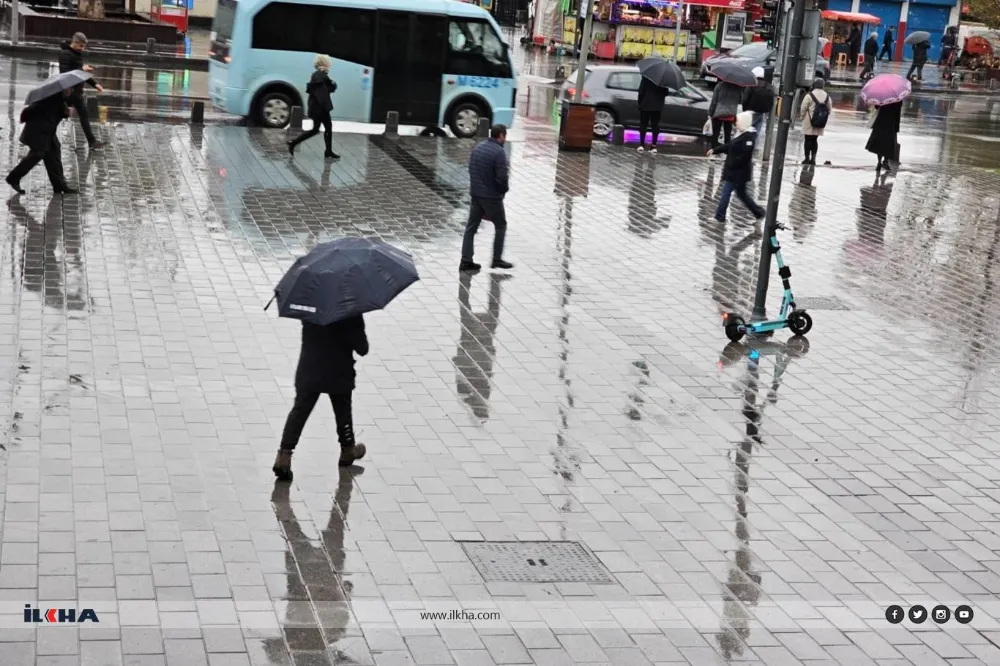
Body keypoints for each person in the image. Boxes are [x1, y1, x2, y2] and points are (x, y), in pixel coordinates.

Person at [272, 315, 369, 480]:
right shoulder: (350, 310)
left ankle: (284, 456)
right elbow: (362, 348)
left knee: (300, 410)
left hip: (310, 368)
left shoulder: (313, 306)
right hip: (339, 371)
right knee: (343, 409)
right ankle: (347, 449)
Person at [460, 124, 513, 272]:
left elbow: (470, 168)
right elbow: (502, 178)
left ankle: (466, 260)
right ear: (501, 135)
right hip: (491, 197)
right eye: (505, 136)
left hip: (476, 194)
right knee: (501, 225)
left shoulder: (478, 148)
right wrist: (503, 191)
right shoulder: (499, 153)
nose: (505, 139)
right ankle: (497, 259)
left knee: (471, 227)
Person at [6, 89, 77, 195]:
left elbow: (59, 113)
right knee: (37, 154)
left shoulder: (61, 99)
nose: (69, 92)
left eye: (70, 90)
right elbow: (30, 110)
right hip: (37, 132)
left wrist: (67, 113)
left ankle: (59, 185)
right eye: (67, 90)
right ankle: (13, 178)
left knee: (53, 156)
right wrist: (23, 117)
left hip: (48, 133)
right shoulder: (49, 97)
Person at [707, 112, 764, 222]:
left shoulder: (748, 137)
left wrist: (733, 164)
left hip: (737, 172)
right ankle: (759, 213)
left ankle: (720, 216)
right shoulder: (741, 134)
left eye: (737, 121)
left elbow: (745, 156)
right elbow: (730, 146)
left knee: (726, 193)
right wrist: (715, 150)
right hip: (737, 172)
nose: (735, 124)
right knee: (742, 195)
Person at [58, 32, 104, 150]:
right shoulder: (65, 54)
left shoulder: (76, 54)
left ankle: (92, 141)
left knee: (84, 115)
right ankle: (44, 135)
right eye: (81, 46)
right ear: (75, 42)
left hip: (77, 91)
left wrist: (95, 84)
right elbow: (65, 73)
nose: (82, 49)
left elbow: (81, 74)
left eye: (84, 46)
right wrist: (82, 68)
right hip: (68, 91)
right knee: (59, 115)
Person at [288, 54, 339, 159]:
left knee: (317, 129)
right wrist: (326, 107)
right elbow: (321, 93)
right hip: (320, 108)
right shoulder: (320, 75)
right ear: (325, 63)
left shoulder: (319, 75)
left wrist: (332, 85)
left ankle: (294, 143)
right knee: (325, 128)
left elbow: (324, 89)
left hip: (317, 107)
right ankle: (328, 151)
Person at [799, 78, 830, 165]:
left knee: (807, 139)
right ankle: (813, 159)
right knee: (814, 140)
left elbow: (803, 107)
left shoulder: (810, 95)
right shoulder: (827, 96)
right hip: (820, 122)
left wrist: (802, 116)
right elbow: (829, 109)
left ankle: (806, 158)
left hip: (809, 121)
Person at [865, 101, 901, 172]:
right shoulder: (897, 99)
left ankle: (879, 162)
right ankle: (885, 161)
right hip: (891, 122)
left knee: (879, 143)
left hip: (880, 122)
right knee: (888, 143)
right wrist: (896, 127)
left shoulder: (882, 97)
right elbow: (898, 113)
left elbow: (877, 107)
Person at [636, 76, 668, 154]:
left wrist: (640, 103)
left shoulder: (646, 77)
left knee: (643, 124)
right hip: (657, 107)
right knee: (655, 125)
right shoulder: (663, 78)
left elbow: (641, 91)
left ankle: (641, 145)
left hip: (645, 104)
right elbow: (666, 93)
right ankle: (653, 146)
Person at [742, 67, 774, 138]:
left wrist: (744, 109)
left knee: (746, 131)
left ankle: (746, 146)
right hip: (761, 112)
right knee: (756, 132)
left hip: (750, 111)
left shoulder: (752, 84)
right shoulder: (767, 86)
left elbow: (745, 99)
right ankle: (753, 145)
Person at [708, 80, 741, 149]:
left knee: (715, 133)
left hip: (718, 113)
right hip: (730, 114)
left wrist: (710, 113)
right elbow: (740, 100)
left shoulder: (719, 86)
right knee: (727, 135)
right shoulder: (737, 87)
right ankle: (727, 151)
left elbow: (714, 101)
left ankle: (714, 149)